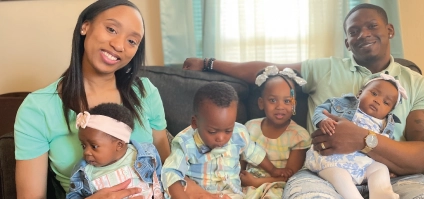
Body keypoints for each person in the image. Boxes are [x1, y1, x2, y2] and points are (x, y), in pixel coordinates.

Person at [183, 3, 424, 198]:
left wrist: (363, 139)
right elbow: (270, 70)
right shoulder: (325, 69)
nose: (363, 34)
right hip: (323, 174)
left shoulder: (419, 85)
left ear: (390, 30)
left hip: (396, 177)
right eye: (354, 31)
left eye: (372, 26)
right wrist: (209, 63)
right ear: (347, 42)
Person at [14, 1, 170, 198]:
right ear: (85, 26)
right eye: (111, 29)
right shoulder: (37, 108)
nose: (119, 45)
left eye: (132, 41)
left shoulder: (145, 92)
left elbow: (169, 171)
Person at [161, 82, 292, 199]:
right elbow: (171, 173)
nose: (221, 138)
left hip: (235, 194)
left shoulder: (238, 133)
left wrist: (274, 170)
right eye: (212, 131)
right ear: (195, 123)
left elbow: (253, 152)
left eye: (228, 130)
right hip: (202, 195)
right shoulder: (184, 143)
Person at [306, 73, 407, 199]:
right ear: (360, 93)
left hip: (362, 163)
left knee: (380, 169)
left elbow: (387, 151)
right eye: (374, 94)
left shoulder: (386, 125)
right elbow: (321, 110)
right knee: (339, 176)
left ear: (389, 111)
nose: (377, 101)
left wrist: (391, 168)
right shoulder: (343, 105)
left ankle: (381, 195)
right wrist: (323, 120)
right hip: (332, 158)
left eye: (386, 102)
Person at [240, 66, 311, 198]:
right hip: (247, 185)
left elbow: (289, 178)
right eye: (272, 100)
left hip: (276, 187)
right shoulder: (250, 127)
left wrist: (256, 182)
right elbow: (240, 164)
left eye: (287, 101)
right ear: (261, 103)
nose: (280, 107)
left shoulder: (299, 135)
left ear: (294, 104)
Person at [67, 103, 163, 199]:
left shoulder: (145, 154)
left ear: (119, 145)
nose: (86, 152)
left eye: (94, 146)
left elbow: (161, 181)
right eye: (83, 146)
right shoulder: (83, 172)